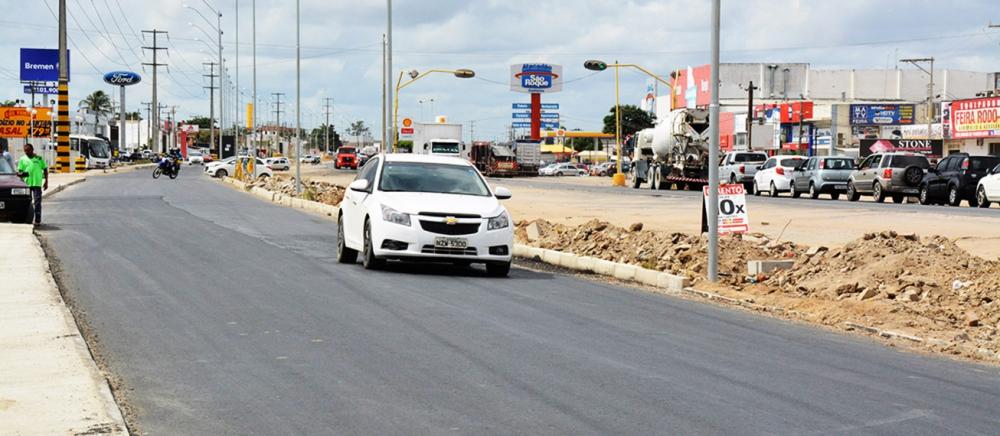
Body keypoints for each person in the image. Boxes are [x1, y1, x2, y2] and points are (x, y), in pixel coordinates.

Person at [16, 143, 48, 225]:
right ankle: (27, 219)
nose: (26, 152)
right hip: (26, 184)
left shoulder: (39, 158)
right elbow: (19, 171)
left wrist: (46, 181)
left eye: (28, 150)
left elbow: (45, 169)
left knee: (37, 202)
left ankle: (37, 220)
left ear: (32, 150)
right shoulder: (22, 159)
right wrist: (21, 174)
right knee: (27, 202)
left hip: (37, 184)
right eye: (25, 151)